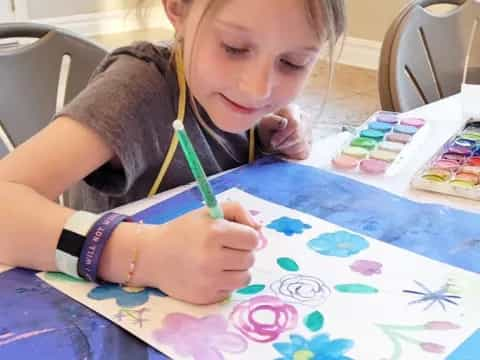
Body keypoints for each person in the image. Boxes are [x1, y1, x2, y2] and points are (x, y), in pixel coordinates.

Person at [0, 0, 345, 304]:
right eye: (234, 48)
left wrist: (283, 130)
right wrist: (147, 256)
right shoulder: (137, 92)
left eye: (293, 63)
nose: (257, 90)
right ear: (177, 7)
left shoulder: (244, 103)